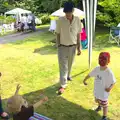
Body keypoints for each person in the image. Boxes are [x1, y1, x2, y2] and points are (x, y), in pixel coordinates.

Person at [56, 1, 82, 94]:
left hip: (73, 46)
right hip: (62, 47)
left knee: (70, 64)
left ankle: (68, 76)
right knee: (63, 66)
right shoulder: (60, 20)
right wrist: (58, 44)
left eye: (69, 12)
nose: (67, 15)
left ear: (73, 11)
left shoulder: (78, 20)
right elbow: (57, 33)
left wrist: (79, 47)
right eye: (66, 13)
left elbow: (79, 34)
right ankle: (63, 85)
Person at [83, 52, 116, 120]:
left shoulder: (109, 72)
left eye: (104, 59)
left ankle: (104, 117)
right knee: (98, 99)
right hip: (97, 90)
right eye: (100, 59)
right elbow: (90, 74)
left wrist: (110, 88)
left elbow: (113, 82)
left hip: (104, 92)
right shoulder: (97, 68)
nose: (102, 61)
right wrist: (84, 80)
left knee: (105, 104)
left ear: (108, 61)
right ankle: (99, 107)